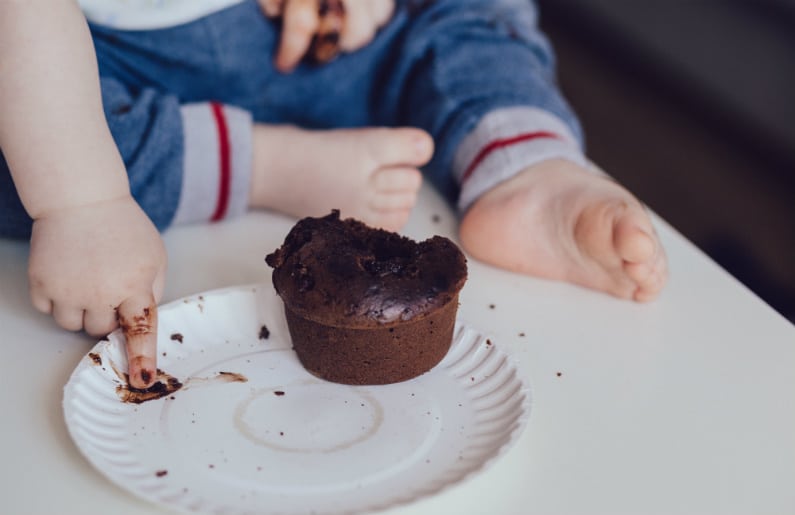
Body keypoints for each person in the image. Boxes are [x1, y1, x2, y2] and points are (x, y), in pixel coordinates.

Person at [0, 0, 667, 389]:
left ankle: (520, 162)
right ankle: (264, 162)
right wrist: (81, 201)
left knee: (467, 13)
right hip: (93, 73)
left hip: (333, 40)